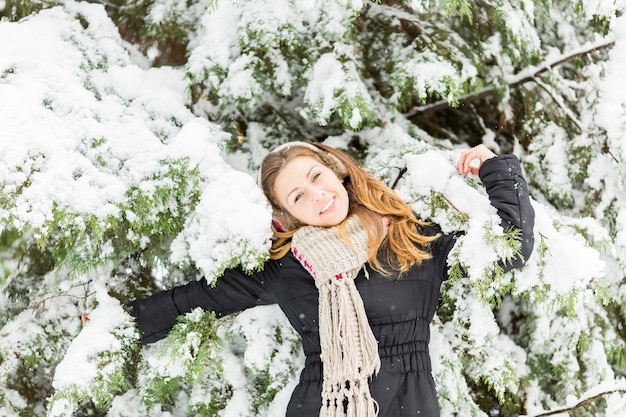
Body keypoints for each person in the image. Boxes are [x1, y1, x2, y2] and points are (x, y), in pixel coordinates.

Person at [127, 141, 535, 417]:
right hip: (324, 403)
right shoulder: (290, 266)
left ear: (337, 173)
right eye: (297, 196)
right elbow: (199, 299)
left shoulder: (412, 238)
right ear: (289, 216)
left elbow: (510, 248)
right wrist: (123, 325)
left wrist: (494, 166)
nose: (316, 195)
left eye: (316, 178)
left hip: (412, 401)